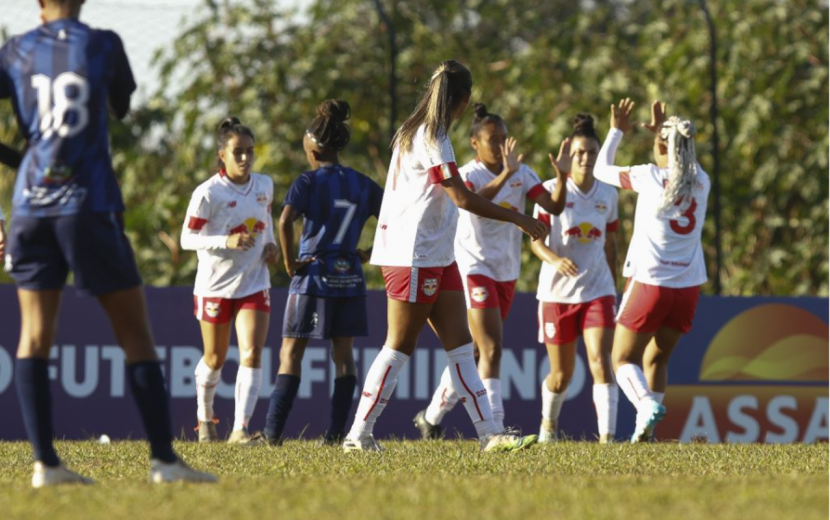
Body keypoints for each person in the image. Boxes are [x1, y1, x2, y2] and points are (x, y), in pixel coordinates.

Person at [0, 0, 215, 486]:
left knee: (33, 335)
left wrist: (22, 161)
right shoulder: (101, 44)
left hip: (31, 206)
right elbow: (119, 106)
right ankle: (164, 461)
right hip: (87, 204)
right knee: (135, 332)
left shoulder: (15, 50)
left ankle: (45, 465)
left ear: (37, 5)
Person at [343, 60, 547, 453]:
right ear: (465, 101)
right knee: (399, 346)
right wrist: (518, 217)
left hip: (437, 252)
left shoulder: (416, 130)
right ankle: (358, 435)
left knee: (461, 344)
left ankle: (490, 433)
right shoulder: (431, 135)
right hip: (414, 253)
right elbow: (460, 196)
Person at [414, 103, 567, 438]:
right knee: (493, 347)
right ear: (474, 143)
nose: (499, 145)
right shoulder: (469, 173)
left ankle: (433, 414)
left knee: (473, 351)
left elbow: (553, 206)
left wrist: (563, 177)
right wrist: (506, 175)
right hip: (473, 267)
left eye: (504, 138)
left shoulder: (522, 173)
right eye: (492, 139)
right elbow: (473, 201)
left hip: (506, 270)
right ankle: (495, 425)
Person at [262, 99, 383, 446]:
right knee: (343, 356)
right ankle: (334, 435)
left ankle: (271, 434)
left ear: (313, 150)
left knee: (291, 353)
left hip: (313, 273)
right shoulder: (362, 183)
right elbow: (394, 218)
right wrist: (368, 253)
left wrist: (289, 263)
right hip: (349, 275)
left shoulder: (307, 181)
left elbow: (285, 221)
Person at [594, 98, 710, 442]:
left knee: (622, 358)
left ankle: (645, 406)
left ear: (662, 146)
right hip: (687, 290)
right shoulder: (702, 181)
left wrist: (616, 131)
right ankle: (647, 434)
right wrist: (660, 137)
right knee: (657, 360)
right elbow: (677, 162)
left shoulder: (650, 177)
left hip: (650, 285)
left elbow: (601, 170)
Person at [181, 117, 279, 444]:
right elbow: (187, 239)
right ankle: (204, 418)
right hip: (215, 285)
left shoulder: (264, 185)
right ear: (222, 154)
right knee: (215, 358)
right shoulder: (208, 193)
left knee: (252, 352)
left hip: (253, 281)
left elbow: (265, 222)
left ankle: (240, 430)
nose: (245, 158)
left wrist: (272, 247)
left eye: (250, 152)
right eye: (237, 152)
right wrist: (226, 241)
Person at [531, 114, 620, 443]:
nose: (585, 159)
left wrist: (613, 285)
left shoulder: (608, 195)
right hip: (557, 295)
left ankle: (608, 439)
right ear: (569, 154)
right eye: (580, 153)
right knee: (561, 375)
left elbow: (611, 242)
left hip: (598, 290)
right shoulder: (551, 190)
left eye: (592, 153)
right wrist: (555, 260)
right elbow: (535, 240)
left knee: (600, 361)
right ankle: (548, 426)